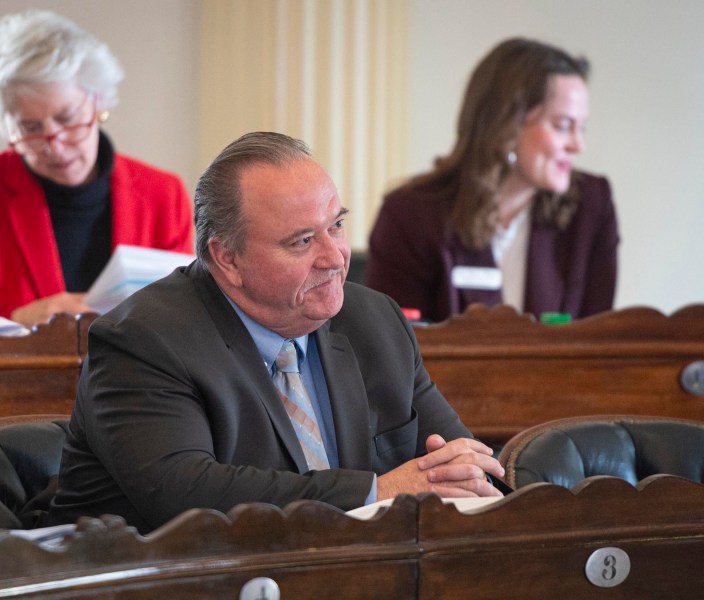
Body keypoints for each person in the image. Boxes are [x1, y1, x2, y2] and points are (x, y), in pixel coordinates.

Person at [46, 131, 504, 534]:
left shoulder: (374, 321)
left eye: (336, 226)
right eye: (302, 241)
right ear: (227, 257)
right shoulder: (144, 341)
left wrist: (467, 477)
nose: (334, 258)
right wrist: (376, 491)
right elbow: (186, 495)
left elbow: (465, 465)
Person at [0, 10, 194, 327]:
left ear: (96, 101)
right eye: (30, 127)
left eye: (68, 118)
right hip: (6, 378)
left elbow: (181, 323)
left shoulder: (163, 196)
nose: (54, 145)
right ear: (5, 125)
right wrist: (17, 324)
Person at [366, 37, 619, 323]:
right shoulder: (410, 214)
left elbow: (598, 347)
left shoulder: (592, 207)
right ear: (507, 123)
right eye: (562, 126)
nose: (577, 145)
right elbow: (390, 352)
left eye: (581, 128)